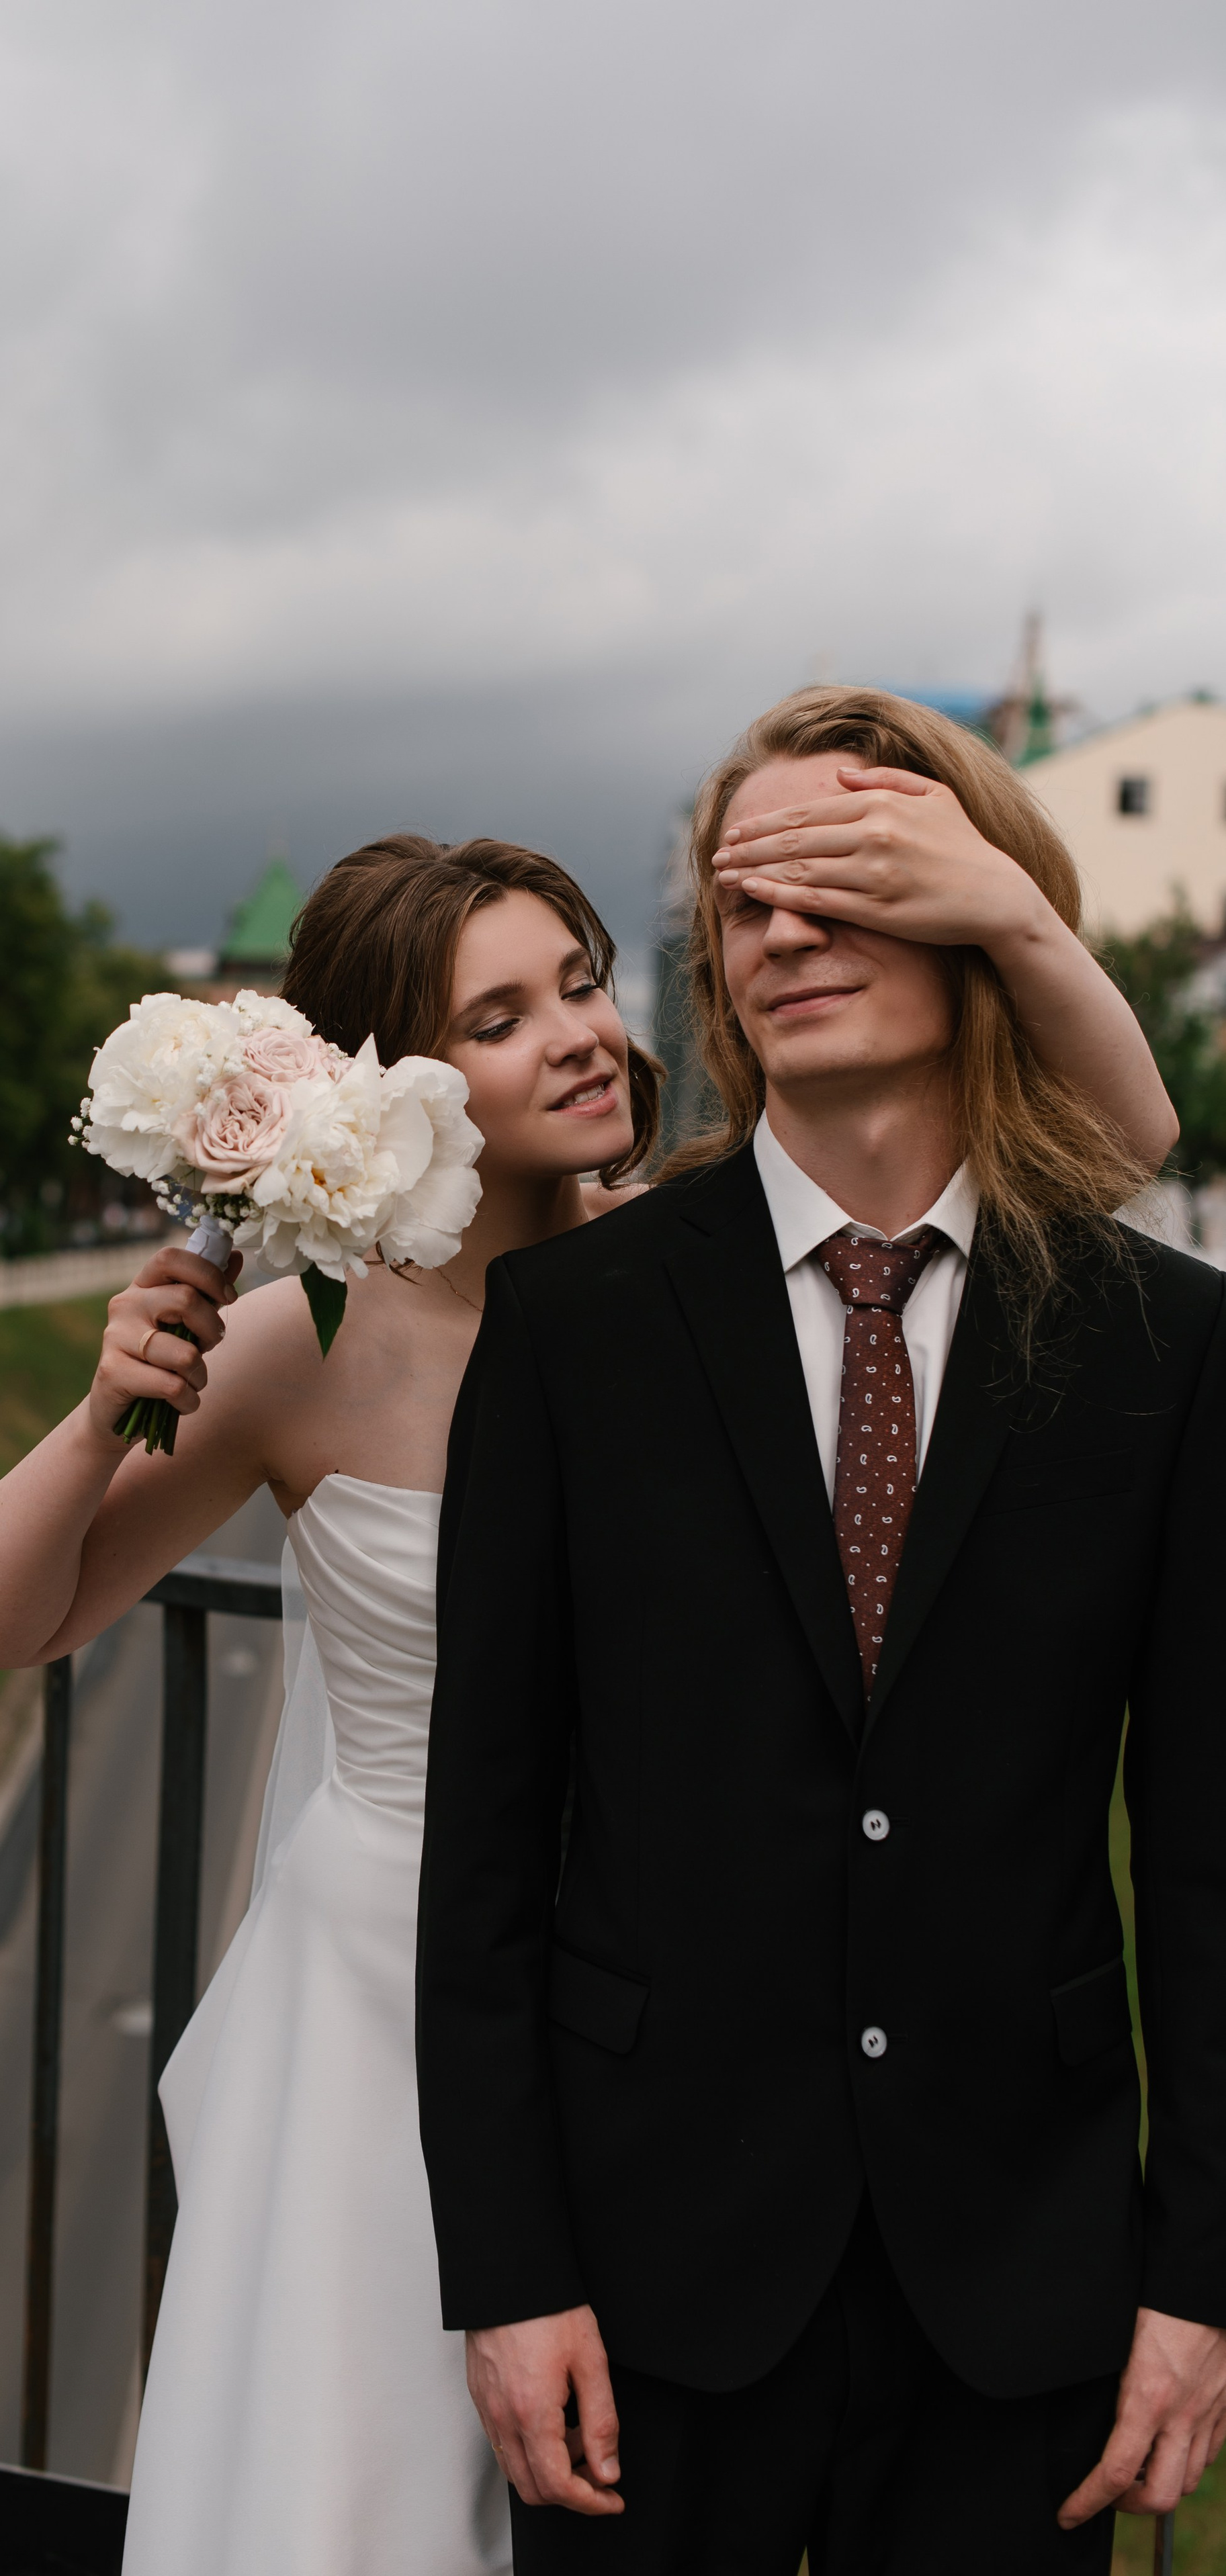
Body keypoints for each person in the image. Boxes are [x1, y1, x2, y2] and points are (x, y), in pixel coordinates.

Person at [0, 788, 1174, 2576]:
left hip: (656, 1997)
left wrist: (1006, 909)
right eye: (497, 1016)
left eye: (583, 981)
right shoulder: (311, 1343)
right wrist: (109, 1395)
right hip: (382, 1998)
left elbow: (1112, 1147)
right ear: (384, 1083)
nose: (584, 1031)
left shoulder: (691, 1271)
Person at [415, 686, 1225, 2576]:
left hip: (1021, 2276)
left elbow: (1202, 1861)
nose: (781, 935)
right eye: (744, 901)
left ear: (979, 914)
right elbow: (488, 1853)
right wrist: (509, 2273)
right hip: (642, 2276)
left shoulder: (1158, 1349)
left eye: (847, 883)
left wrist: (1196, 2281)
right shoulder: (576, 1333)